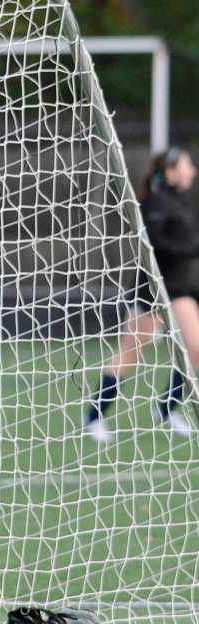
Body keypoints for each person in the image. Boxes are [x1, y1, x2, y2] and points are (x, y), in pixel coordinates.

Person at [85, 146, 199, 441]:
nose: (192, 171)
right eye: (187, 165)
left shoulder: (183, 201)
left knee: (196, 349)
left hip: (179, 290)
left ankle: (166, 409)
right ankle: (94, 417)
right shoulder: (155, 202)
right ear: (171, 170)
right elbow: (157, 245)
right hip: (150, 289)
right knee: (131, 352)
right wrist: (191, 249)